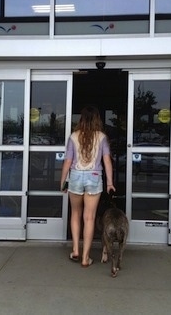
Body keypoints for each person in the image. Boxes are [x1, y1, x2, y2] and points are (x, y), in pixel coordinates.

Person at [60, 106, 115, 267]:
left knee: (75, 214)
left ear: (81, 119)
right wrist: (110, 183)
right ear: (97, 119)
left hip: (76, 176)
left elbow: (68, 161)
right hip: (94, 176)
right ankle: (85, 258)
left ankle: (76, 249)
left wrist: (63, 180)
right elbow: (107, 161)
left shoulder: (73, 136)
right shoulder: (102, 137)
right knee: (89, 218)